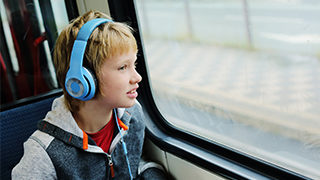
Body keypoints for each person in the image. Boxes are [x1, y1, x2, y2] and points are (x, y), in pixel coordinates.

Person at [12, 10, 166, 179]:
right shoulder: (42, 155)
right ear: (83, 80)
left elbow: (135, 164)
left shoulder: (132, 115)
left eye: (134, 64)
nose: (137, 77)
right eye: (123, 67)